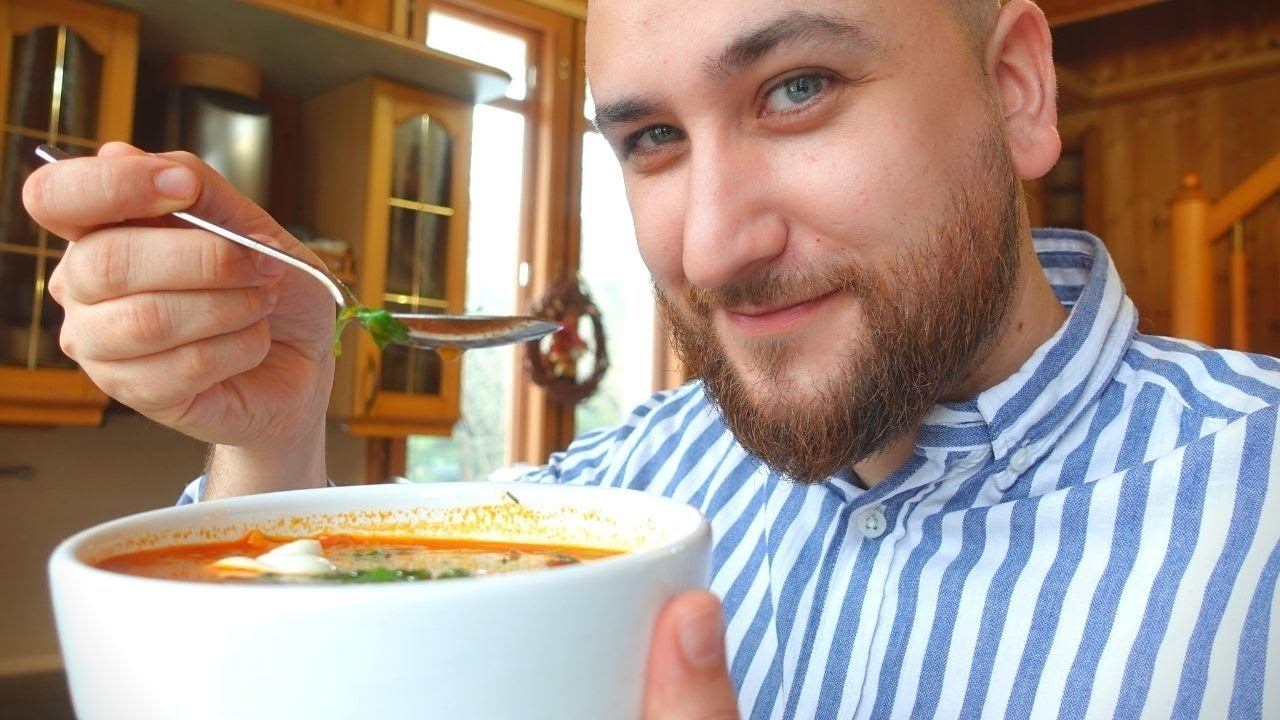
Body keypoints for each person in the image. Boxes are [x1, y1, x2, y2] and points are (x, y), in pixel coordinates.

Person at [23, 0, 1280, 717]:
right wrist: (272, 438)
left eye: (797, 88)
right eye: (651, 140)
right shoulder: (613, 495)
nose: (715, 246)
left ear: (1012, 90)